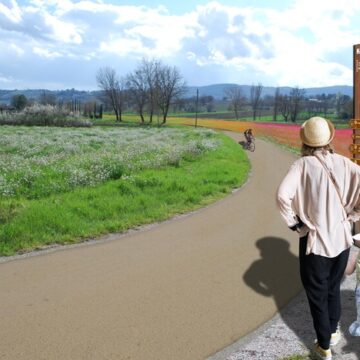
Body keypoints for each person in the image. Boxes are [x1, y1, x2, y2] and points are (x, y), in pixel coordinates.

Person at [276, 117, 360, 360]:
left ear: (304, 141)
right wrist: (353, 213)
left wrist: (296, 225)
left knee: (316, 293)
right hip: (341, 239)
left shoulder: (302, 166)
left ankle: (324, 346)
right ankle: (333, 331)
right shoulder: (345, 163)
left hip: (316, 241)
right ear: (330, 138)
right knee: (333, 287)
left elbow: (283, 196)